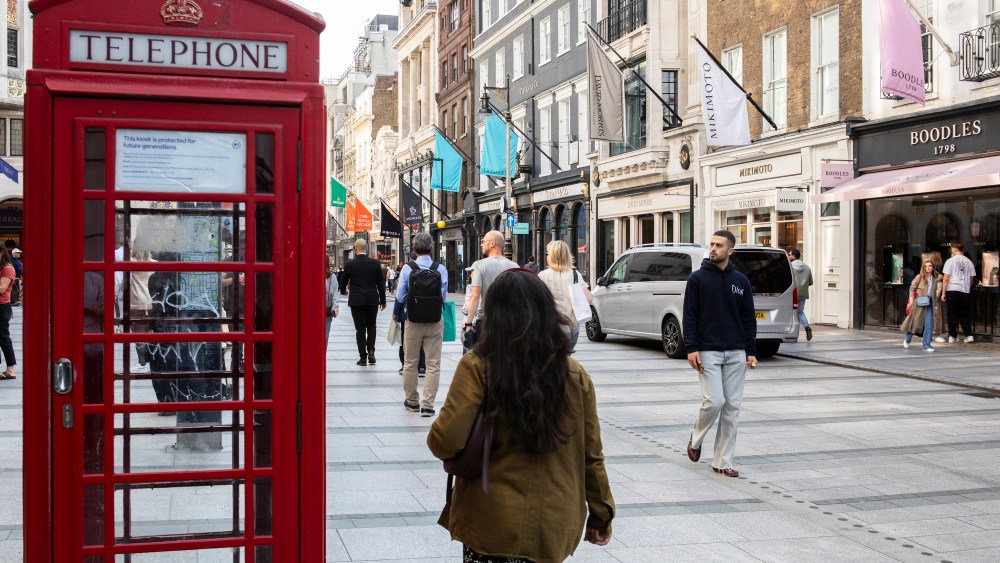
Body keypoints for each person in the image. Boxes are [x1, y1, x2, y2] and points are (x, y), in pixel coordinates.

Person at [427, 270, 615, 561]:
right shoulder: (575, 375)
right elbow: (592, 455)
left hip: (491, 521)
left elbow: (445, 441)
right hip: (553, 524)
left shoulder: (478, 366)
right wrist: (602, 514)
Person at [684, 231, 757, 478]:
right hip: (708, 351)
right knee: (714, 401)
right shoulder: (697, 279)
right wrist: (691, 347)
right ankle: (696, 437)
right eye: (712, 245)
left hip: (736, 350)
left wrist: (751, 351)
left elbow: (748, 318)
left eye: (719, 245)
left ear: (730, 250)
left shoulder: (741, 282)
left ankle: (722, 461)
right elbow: (689, 315)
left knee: (732, 406)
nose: (713, 249)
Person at [396, 233, 448, 417]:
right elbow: (443, 296)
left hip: (413, 320)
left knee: (410, 362)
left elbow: (401, 296)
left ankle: (412, 401)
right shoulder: (440, 268)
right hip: (434, 320)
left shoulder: (407, 269)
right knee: (433, 364)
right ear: (431, 249)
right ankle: (427, 405)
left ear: (414, 249)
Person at [462, 230, 518, 345]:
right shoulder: (514, 266)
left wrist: (468, 324)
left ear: (492, 244)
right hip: (509, 322)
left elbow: (475, 296)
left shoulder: (479, 265)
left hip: (486, 321)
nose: (482, 244)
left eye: (484, 241)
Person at [538, 240, 592, 350]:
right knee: (566, 359)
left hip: (549, 328)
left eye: (547, 253)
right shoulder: (575, 274)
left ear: (551, 256)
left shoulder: (543, 276)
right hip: (571, 328)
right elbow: (589, 299)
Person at [340, 239, 387, 366]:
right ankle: (371, 351)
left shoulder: (350, 264)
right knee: (372, 326)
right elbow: (380, 284)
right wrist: (383, 300)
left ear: (355, 248)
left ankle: (363, 357)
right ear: (366, 248)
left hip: (357, 300)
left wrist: (343, 290)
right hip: (372, 300)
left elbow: (343, 282)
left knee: (360, 329)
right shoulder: (375, 263)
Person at [900, 259, 941, 352]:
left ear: (933, 267)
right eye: (926, 266)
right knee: (915, 323)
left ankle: (926, 345)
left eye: (930, 266)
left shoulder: (934, 279)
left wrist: (935, 305)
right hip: (919, 303)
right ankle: (907, 338)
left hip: (929, 303)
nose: (928, 268)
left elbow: (934, 293)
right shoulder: (919, 277)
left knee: (929, 324)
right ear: (923, 267)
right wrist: (910, 301)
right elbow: (912, 289)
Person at [941, 241, 977, 343]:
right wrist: (967, 288)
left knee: (952, 313)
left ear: (955, 249)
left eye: (952, 248)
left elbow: (946, 278)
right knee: (964, 313)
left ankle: (952, 336)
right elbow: (971, 278)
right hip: (965, 290)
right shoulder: (969, 262)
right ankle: (969, 335)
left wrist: (943, 292)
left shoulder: (950, 261)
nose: (951, 250)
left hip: (952, 289)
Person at [788, 248, 814, 341]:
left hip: (791, 293)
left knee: (790, 313)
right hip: (803, 293)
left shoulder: (789, 266)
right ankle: (807, 328)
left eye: (789, 254)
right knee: (799, 312)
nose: (788, 256)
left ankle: (793, 334)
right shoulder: (807, 267)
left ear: (793, 256)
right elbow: (811, 282)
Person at [0, 246, 16, 379]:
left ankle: (10, 369)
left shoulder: (7, 269)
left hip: (2, 307)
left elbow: (1, 288)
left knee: (4, 338)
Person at [325, 254, 340, 346]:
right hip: (312, 312)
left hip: (326, 311)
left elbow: (335, 293)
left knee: (325, 337)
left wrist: (335, 307)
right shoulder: (311, 274)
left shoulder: (331, 276)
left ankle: (322, 358)